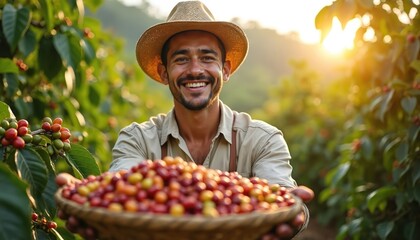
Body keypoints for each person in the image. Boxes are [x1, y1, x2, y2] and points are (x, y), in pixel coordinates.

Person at [56, 1, 314, 239]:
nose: (195, 70)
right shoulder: (138, 139)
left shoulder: (262, 140)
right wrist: (93, 202)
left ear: (225, 69)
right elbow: (120, 191)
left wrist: (293, 208)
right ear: (164, 72)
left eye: (207, 57)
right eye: (181, 59)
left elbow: (281, 198)